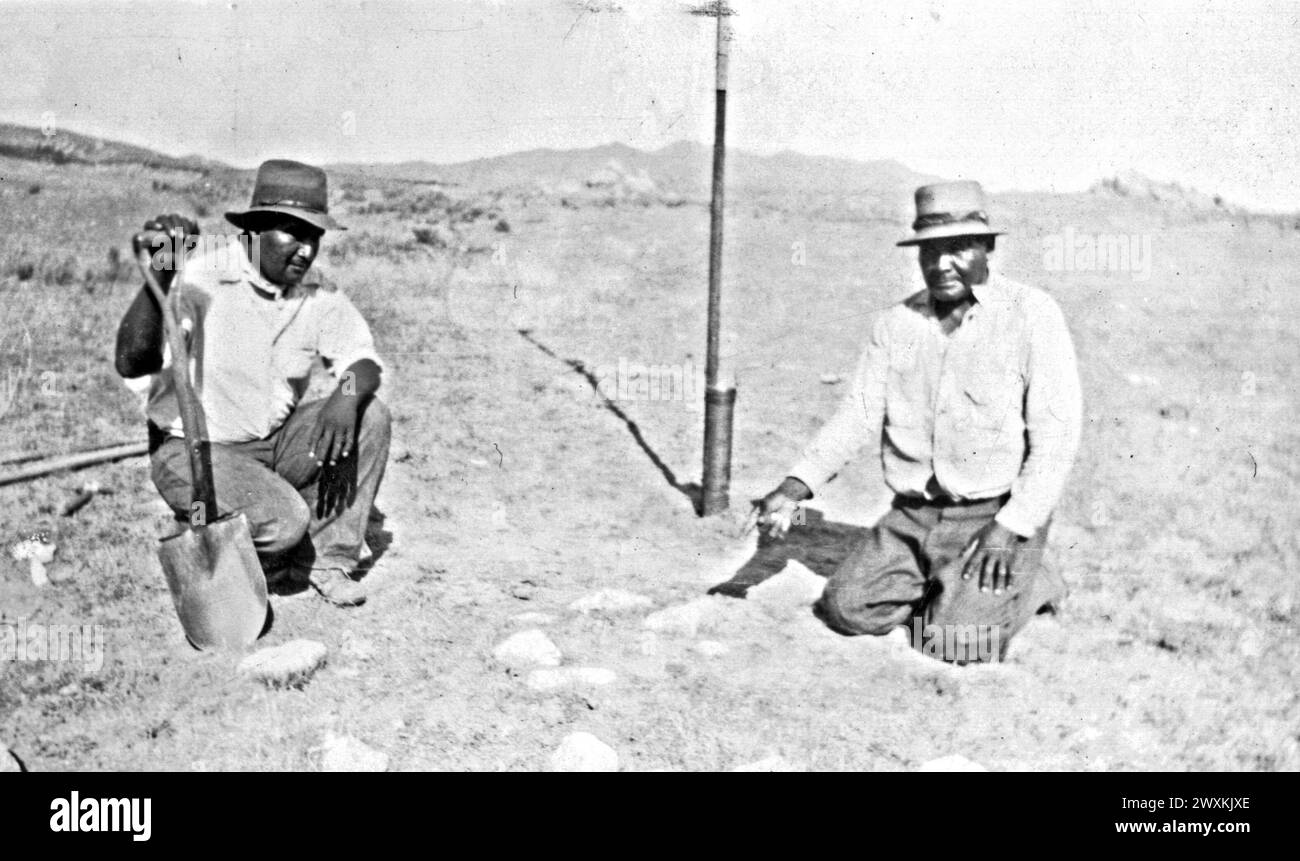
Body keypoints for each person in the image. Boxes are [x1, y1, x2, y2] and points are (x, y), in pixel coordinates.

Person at [749, 180, 1082, 662]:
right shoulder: (897, 324)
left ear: (987, 248)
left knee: (951, 644)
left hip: (993, 513)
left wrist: (1010, 528)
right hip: (914, 512)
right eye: (930, 250)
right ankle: (947, 583)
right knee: (847, 610)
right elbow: (857, 415)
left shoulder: (1031, 316)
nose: (942, 264)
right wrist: (795, 486)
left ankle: (1032, 580)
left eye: (959, 248)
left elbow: (1056, 439)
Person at [115, 159, 390, 607]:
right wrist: (163, 270)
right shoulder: (202, 279)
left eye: (313, 237)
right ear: (255, 230)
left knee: (369, 414)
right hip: (194, 452)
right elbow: (132, 361)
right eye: (293, 234)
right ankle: (241, 532)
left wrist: (345, 395)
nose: (305, 250)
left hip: (273, 443)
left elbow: (363, 361)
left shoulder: (317, 292)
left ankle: (328, 557)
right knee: (284, 523)